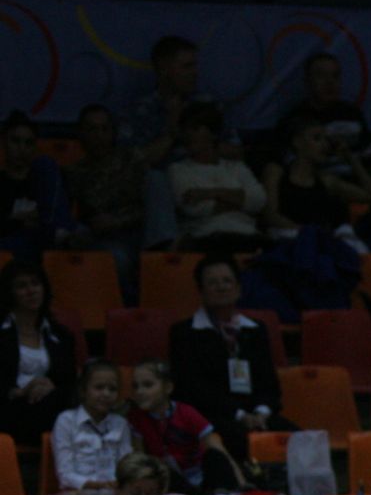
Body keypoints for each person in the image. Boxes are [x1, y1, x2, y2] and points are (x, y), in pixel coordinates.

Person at [168, 255, 294, 452]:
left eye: (227, 281)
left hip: (257, 415)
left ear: (238, 288)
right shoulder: (184, 333)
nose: (222, 287)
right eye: (213, 282)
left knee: (303, 441)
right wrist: (240, 415)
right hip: (211, 417)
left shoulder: (255, 330)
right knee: (239, 439)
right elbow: (192, 390)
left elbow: (269, 385)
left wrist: (261, 413)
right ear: (201, 291)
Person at [124, 36, 240, 247]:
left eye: (195, 65)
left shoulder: (209, 105)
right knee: (155, 179)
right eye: (187, 67)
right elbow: (135, 164)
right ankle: (166, 250)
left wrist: (199, 141)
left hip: (205, 186)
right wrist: (172, 132)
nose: (194, 73)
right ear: (163, 69)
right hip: (162, 197)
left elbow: (236, 151)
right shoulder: (141, 110)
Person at [65, 104, 147, 298]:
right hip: (98, 238)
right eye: (92, 129)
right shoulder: (74, 172)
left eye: (105, 129)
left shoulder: (132, 161)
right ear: (81, 133)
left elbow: (149, 208)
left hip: (137, 233)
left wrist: (117, 221)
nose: (99, 135)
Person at [127, 359, 241, 493]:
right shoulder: (136, 419)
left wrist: (242, 483)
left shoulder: (186, 413)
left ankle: (225, 494)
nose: (140, 391)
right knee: (155, 468)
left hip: (202, 477)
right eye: (135, 386)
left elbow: (219, 450)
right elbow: (139, 459)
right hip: (171, 483)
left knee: (214, 456)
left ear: (168, 388)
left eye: (148, 385)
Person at [0, 257, 79, 450]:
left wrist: (50, 384)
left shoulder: (61, 335)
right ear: (10, 293)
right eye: (22, 286)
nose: (31, 291)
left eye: (35, 284)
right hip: (9, 407)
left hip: (49, 405)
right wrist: (19, 391)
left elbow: (69, 381)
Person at [263, 112, 371, 235]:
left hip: (317, 242)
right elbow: (270, 215)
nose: (324, 145)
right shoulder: (275, 172)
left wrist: (350, 158)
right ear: (297, 142)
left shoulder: (326, 181)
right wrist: (304, 233)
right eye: (317, 138)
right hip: (287, 238)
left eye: (326, 139)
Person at [170, 104, 267, 251]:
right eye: (185, 130)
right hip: (206, 237)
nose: (188, 135)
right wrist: (241, 201)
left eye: (195, 129)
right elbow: (196, 209)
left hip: (247, 235)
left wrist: (209, 193)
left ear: (213, 133)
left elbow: (258, 200)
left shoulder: (236, 167)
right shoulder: (178, 170)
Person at [273, 52, 371, 184]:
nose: (330, 82)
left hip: (359, 185)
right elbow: (291, 169)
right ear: (307, 81)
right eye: (321, 76)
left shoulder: (352, 115)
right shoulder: (294, 120)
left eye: (335, 76)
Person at [51, 359, 132, 495]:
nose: (106, 393)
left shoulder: (120, 423)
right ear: (83, 390)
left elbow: (127, 465)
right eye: (99, 387)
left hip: (114, 490)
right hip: (80, 492)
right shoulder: (66, 420)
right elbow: (65, 474)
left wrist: (119, 483)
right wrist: (97, 485)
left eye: (112, 389)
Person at [0, 110, 75, 256]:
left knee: (45, 163)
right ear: (4, 142)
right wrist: (17, 222)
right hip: (11, 246)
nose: (22, 149)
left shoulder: (46, 178)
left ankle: (57, 232)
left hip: (46, 240)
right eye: (15, 141)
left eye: (28, 143)